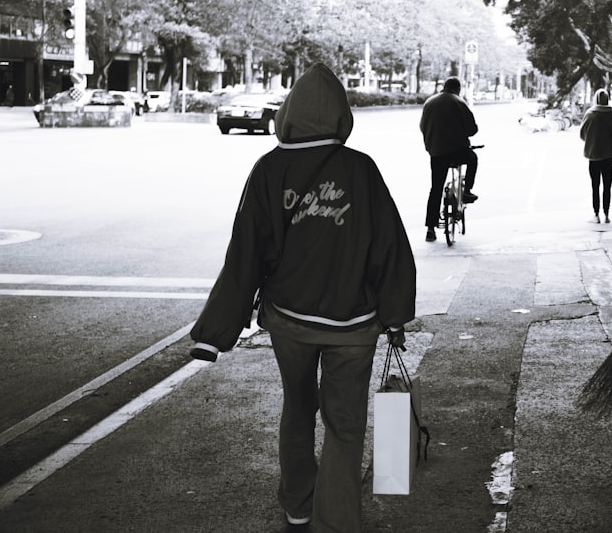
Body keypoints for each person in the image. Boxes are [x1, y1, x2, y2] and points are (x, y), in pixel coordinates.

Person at [188, 62, 416, 531]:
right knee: (345, 424)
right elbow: (390, 247)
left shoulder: (269, 169)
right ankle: (336, 523)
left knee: (298, 405)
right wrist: (395, 317)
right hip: (354, 327)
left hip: (289, 321)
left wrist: (215, 333)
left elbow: (245, 253)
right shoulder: (362, 170)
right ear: (341, 115)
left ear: (287, 113)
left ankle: (298, 501)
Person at [419, 76, 479, 242]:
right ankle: (466, 191)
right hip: (457, 151)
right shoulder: (459, 102)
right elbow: (472, 129)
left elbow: (422, 126)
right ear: (457, 89)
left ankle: (430, 229)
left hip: (436, 153)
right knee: (472, 158)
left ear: (444, 87)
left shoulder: (429, 103)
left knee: (436, 189)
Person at [579, 88, 612, 224]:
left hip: (594, 155)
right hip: (609, 156)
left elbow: (582, 134)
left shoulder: (590, 114)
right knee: (607, 186)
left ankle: (596, 214)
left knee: (595, 186)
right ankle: (607, 214)